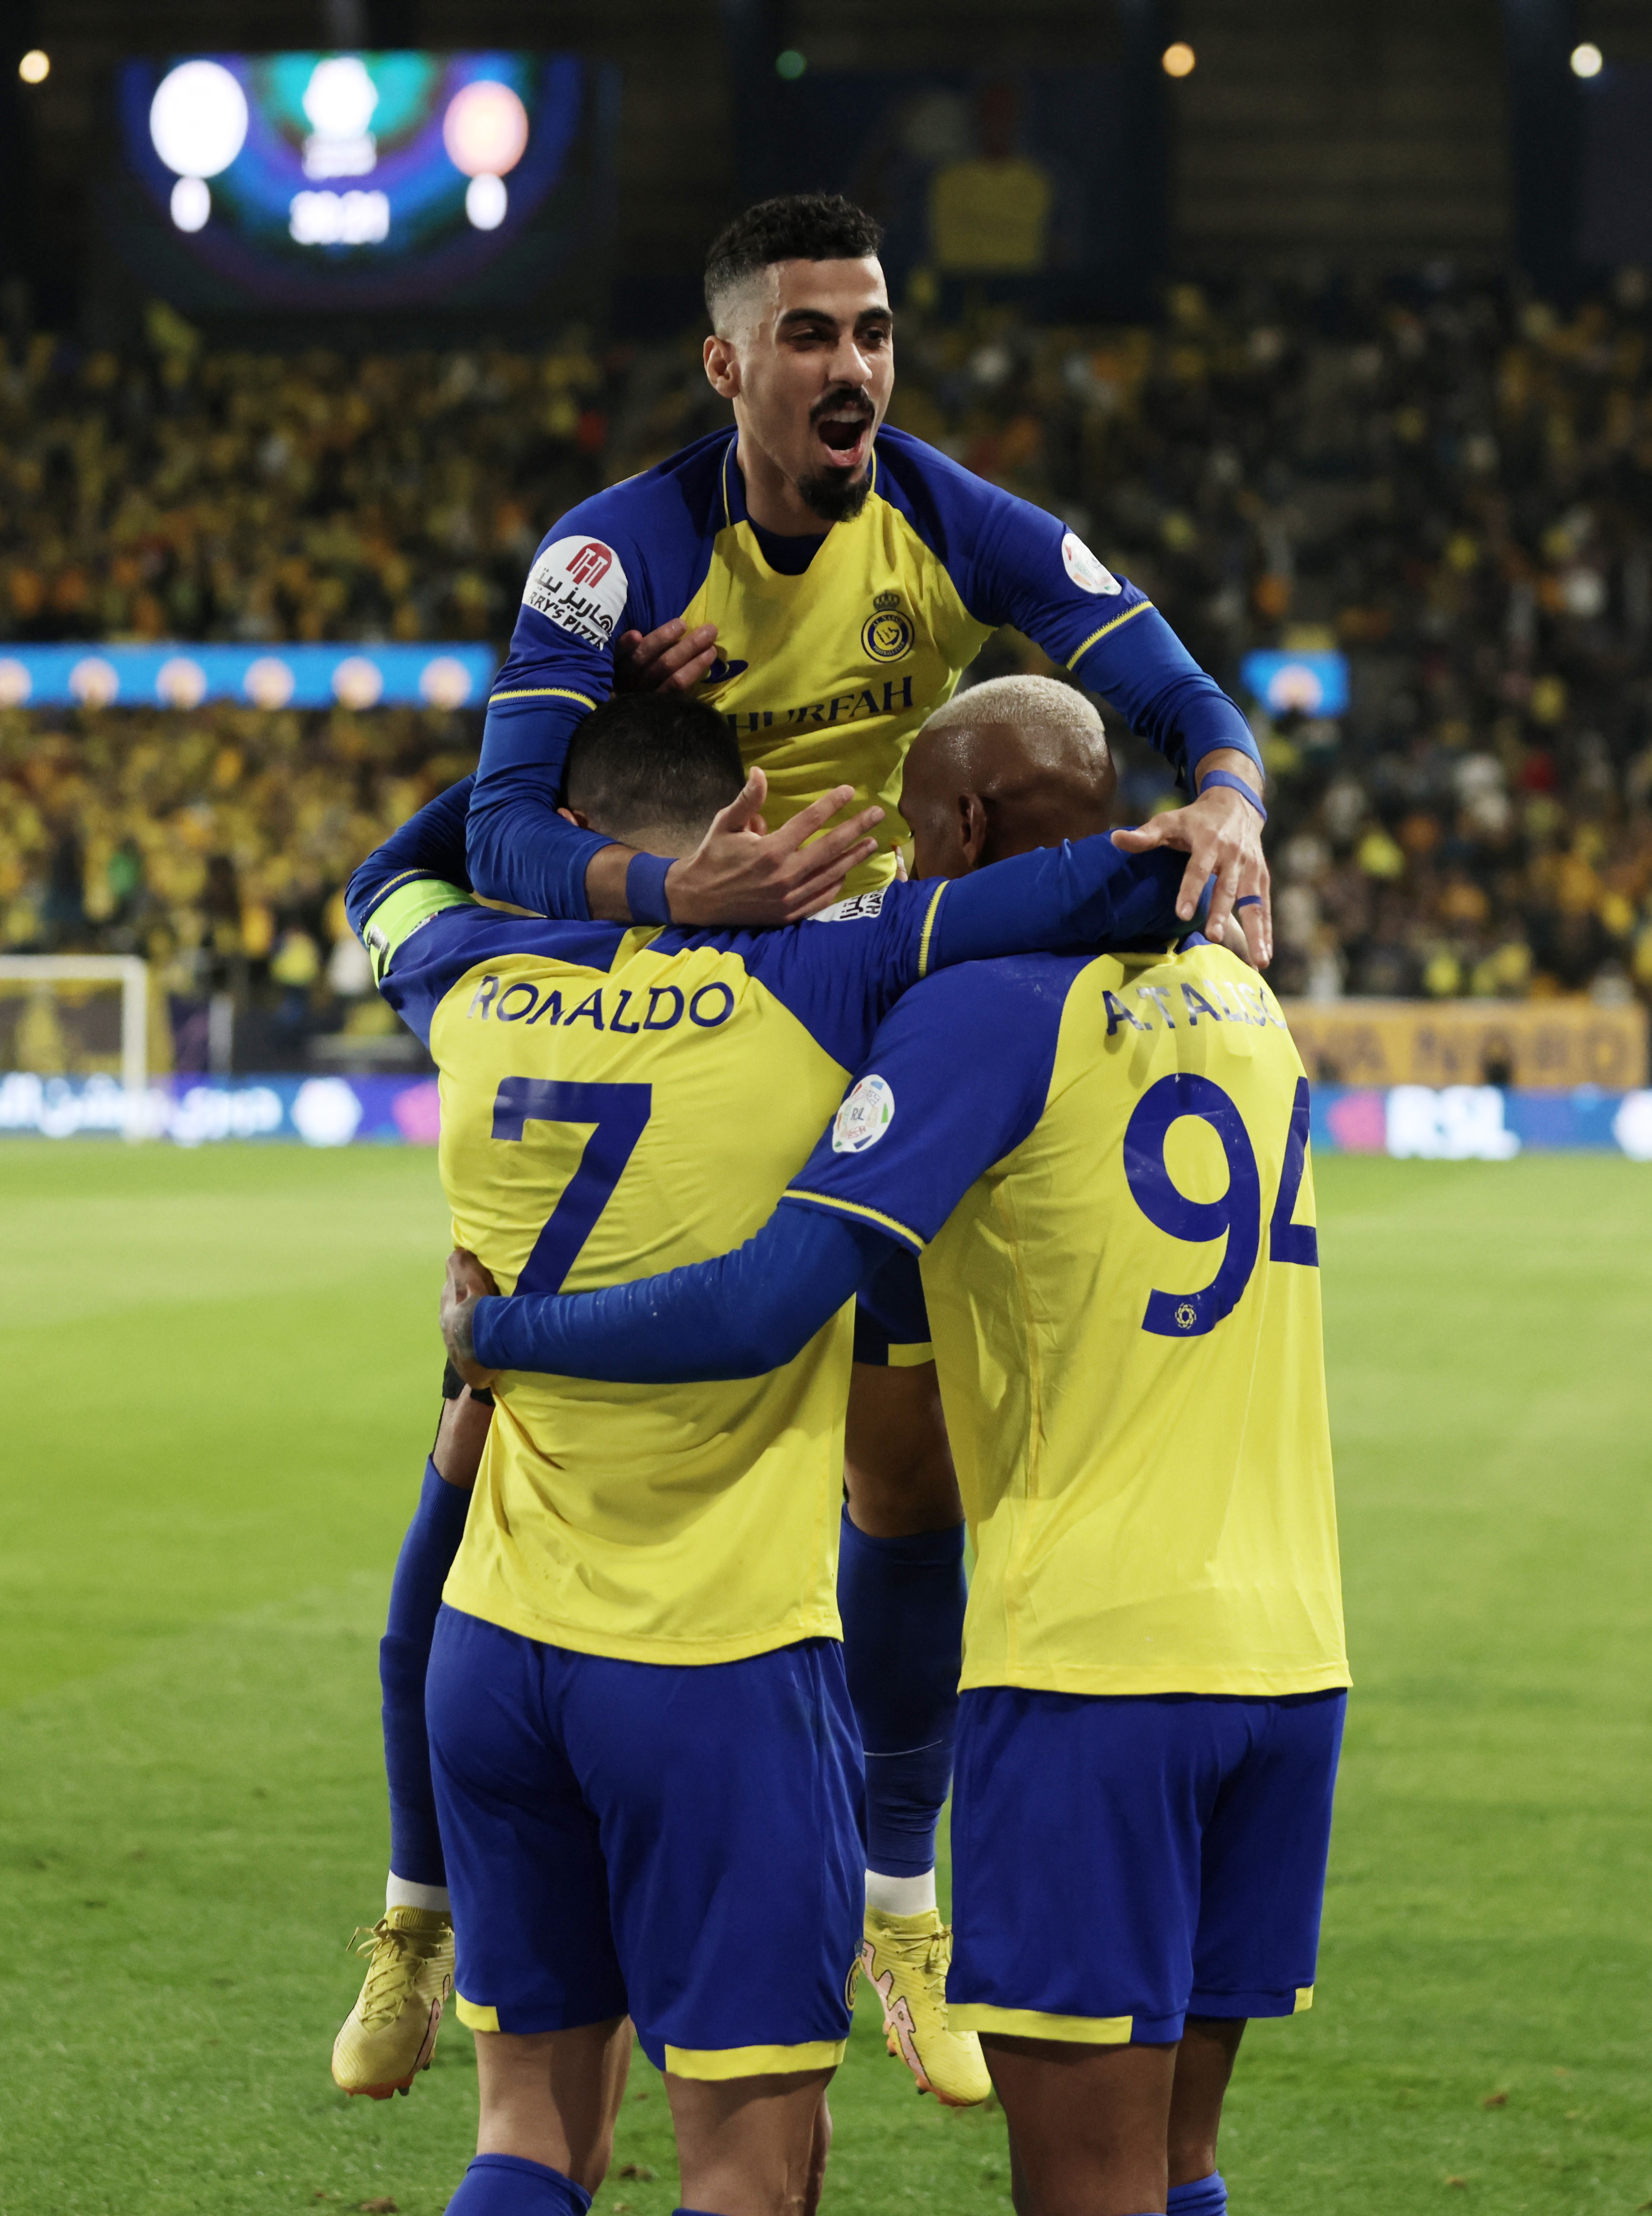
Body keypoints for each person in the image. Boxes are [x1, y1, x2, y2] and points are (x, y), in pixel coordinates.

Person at [443, 684, 1350, 2216]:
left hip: (1096, 1672)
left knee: (1087, 2190)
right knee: (1182, 2170)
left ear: (970, 831)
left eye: (911, 835)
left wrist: (508, 1340)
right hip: (1291, 1657)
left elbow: (768, 1303)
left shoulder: (978, 1012)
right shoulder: (1246, 997)